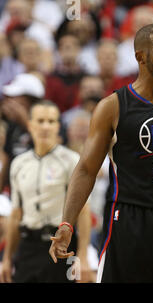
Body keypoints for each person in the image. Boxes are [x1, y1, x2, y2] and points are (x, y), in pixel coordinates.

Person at [48, 24, 153, 283]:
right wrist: (67, 223)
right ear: (140, 56)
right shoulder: (112, 106)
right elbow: (87, 169)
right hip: (130, 218)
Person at [0, 100, 92, 283]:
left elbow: (83, 211)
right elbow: (16, 214)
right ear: (30, 125)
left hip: (60, 246)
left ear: (58, 126)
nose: (46, 126)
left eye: (51, 121)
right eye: (40, 120)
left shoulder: (71, 160)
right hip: (28, 246)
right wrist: (7, 258)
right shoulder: (19, 163)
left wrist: (82, 256)